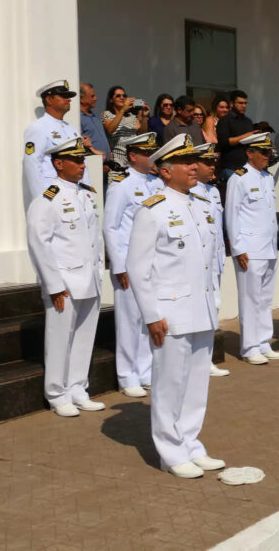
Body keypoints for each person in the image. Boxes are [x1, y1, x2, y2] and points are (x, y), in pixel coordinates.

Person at [127, 134, 225, 479]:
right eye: (186, 163)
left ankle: (190, 443)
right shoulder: (153, 209)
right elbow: (138, 268)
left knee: (197, 384)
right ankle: (169, 451)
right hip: (170, 312)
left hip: (201, 308)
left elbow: (209, 262)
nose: (194, 167)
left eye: (193, 161)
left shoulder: (202, 205)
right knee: (169, 384)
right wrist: (152, 315)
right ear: (166, 171)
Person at [26, 137, 104, 418]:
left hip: (89, 279)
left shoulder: (86, 193)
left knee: (84, 338)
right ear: (59, 163)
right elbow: (38, 242)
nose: (82, 165)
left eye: (83, 160)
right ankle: (57, 393)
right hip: (65, 282)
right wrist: (53, 284)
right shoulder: (48, 197)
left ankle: (78, 388)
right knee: (59, 340)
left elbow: (94, 239)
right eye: (76, 160)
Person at [103, 132, 162, 397]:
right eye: (147, 152)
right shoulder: (122, 185)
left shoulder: (157, 183)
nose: (151, 157)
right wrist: (118, 265)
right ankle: (127, 375)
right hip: (128, 262)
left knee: (147, 315)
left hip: (153, 262)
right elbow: (111, 227)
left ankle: (146, 371)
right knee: (129, 320)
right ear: (133, 156)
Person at [225, 132, 279, 364]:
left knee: (265, 298)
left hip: (268, 246)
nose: (268, 155)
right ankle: (249, 347)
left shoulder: (267, 178)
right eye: (263, 152)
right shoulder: (239, 178)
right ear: (250, 153)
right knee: (250, 298)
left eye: (269, 151)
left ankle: (263, 342)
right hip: (249, 248)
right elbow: (232, 215)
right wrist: (238, 248)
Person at [191, 142, 231, 378]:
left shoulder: (213, 191)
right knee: (198, 311)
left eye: (212, 161)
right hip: (197, 262)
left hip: (213, 260)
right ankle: (197, 360)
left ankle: (206, 359)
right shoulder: (190, 191)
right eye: (206, 162)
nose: (211, 166)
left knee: (212, 309)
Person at [23, 80, 82, 208]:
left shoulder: (72, 130)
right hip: (53, 194)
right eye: (64, 96)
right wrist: (43, 198)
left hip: (74, 193)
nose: (69, 100)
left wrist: (85, 191)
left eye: (69, 97)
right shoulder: (38, 128)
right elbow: (32, 164)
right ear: (49, 100)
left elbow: (82, 164)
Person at [217, 90, 261, 182]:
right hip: (231, 168)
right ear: (232, 104)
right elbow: (223, 142)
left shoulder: (248, 121)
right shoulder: (225, 120)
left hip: (248, 167)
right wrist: (245, 136)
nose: (244, 106)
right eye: (240, 103)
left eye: (245, 103)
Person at [102, 86, 148, 168]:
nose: (122, 98)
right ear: (111, 100)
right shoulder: (107, 114)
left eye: (124, 96)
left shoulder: (131, 116)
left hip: (133, 159)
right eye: (118, 96)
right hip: (118, 160)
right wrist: (122, 110)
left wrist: (144, 117)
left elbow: (142, 133)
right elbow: (110, 130)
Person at [79, 83, 110, 159]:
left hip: (105, 163)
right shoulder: (78, 119)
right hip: (93, 164)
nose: (95, 98)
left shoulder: (94, 116)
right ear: (81, 99)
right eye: (92, 96)